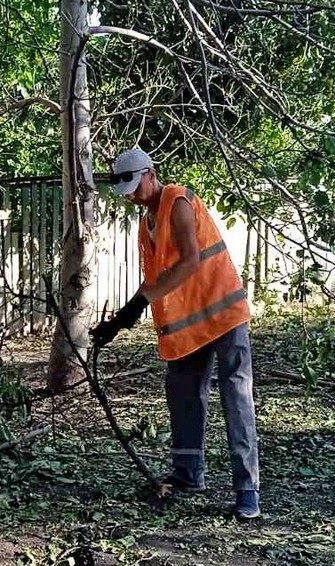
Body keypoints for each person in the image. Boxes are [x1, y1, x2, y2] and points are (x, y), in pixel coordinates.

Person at [91, 148, 261, 519]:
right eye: (128, 191)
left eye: (137, 186)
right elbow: (156, 278)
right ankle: (188, 474)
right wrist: (121, 320)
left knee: (236, 397)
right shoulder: (147, 220)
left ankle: (247, 490)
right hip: (188, 326)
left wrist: (139, 304)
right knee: (183, 395)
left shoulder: (179, 201)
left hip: (223, 314)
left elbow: (190, 260)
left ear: (151, 173)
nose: (133, 195)